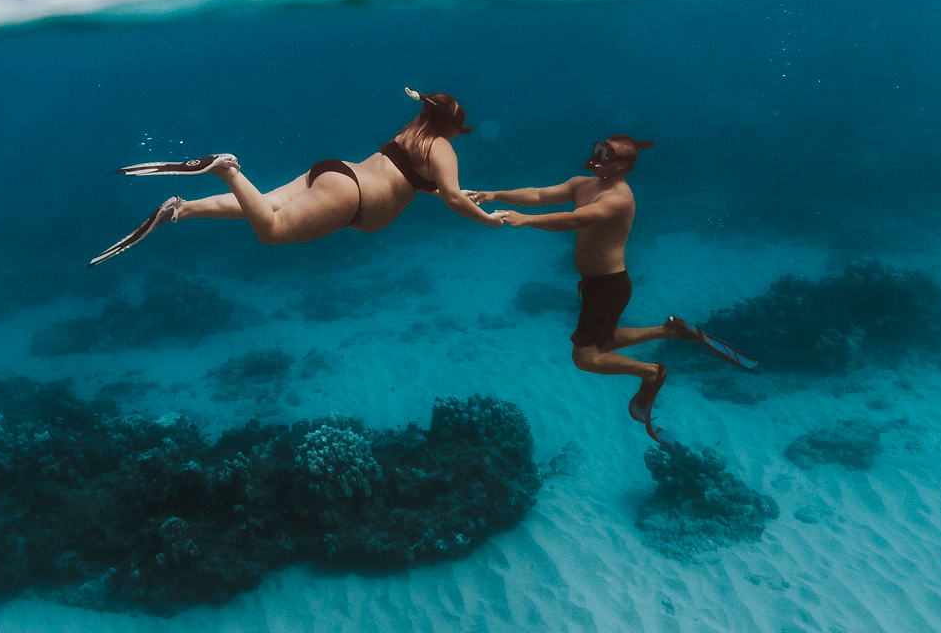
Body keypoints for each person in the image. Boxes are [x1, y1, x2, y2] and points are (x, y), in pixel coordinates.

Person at [468, 134, 756, 442]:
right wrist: (492, 193)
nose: (598, 156)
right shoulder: (583, 183)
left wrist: (525, 221)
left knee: (586, 358)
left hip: (609, 286)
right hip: (595, 285)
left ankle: (651, 372)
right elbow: (538, 194)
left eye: (606, 154)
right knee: (600, 341)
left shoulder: (619, 198)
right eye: (598, 149)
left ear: (623, 165)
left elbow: (573, 220)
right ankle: (670, 330)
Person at [92, 89, 504, 263]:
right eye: (457, 130)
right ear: (450, 127)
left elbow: (414, 179)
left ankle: (180, 210)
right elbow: (449, 197)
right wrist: (485, 219)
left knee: (264, 205)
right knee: (270, 230)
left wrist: (452, 191)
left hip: (336, 172)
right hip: (351, 197)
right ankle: (226, 169)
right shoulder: (443, 148)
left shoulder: (410, 134)